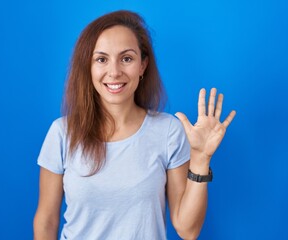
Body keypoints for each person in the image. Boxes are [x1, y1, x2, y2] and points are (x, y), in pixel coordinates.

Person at [33, 10, 236, 240]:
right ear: (87, 67)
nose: (114, 72)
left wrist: (200, 158)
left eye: (126, 58)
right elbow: (46, 220)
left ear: (142, 66)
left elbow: (188, 230)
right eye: (101, 59)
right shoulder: (62, 133)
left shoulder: (168, 131)